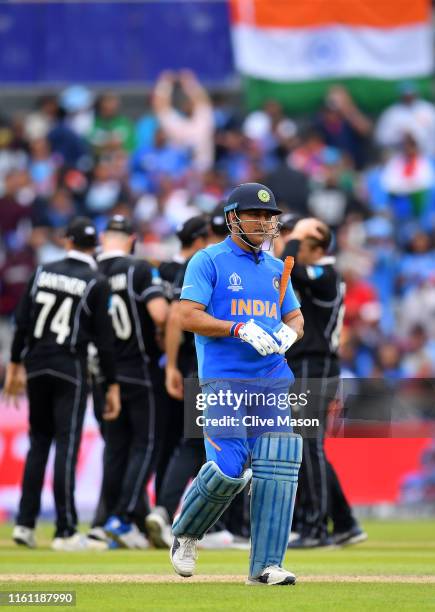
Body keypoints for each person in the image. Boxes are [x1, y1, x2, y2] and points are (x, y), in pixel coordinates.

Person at [169, 182, 304, 586]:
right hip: (224, 379)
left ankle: (266, 565)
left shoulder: (277, 268)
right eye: (255, 215)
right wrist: (237, 327)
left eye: (269, 216)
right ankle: (186, 532)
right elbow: (186, 316)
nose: (264, 223)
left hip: (272, 378)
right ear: (232, 219)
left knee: (278, 464)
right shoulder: (208, 260)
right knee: (228, 466)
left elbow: (295, 317)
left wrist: (290, 334)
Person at [4, 217, 120, 551]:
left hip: (37, 362)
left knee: (38, 443)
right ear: (93, 246)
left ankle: (24, 524)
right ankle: (66, 529)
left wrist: (14, 363)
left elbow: (22, 320)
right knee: (66, 446)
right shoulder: (97, 282)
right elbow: (104, 340)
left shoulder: (42, 270)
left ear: (67, 241)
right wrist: (110, 385)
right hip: (70, 365)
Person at [280, 217, 367, 547]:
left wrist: (292, 239)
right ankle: (344, 521)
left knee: (308, 445)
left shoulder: (324, 273)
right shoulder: (321, 274)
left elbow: (289, 268)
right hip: (310, 366)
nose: (292, 243)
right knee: (309, 446)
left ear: (315, 248)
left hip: (313, 367)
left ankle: (315, 526)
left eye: (300, 241)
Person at [93, 215, 169, 548]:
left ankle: (112, 519)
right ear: (132, 239)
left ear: (102, 238)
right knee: (145, 445)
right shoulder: (138, 269)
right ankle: (122, 518)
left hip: (101, 374)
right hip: (139, 370)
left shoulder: (90, 273)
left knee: (114, 448)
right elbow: (160, 315)